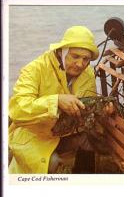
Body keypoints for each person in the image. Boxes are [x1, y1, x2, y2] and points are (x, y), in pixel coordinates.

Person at [9, 26, 113, 174]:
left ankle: (82, 182)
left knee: (92, 143)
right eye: (75, 56)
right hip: (33, 136)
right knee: (52, 162)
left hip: (64, 133)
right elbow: (17, 111)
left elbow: (87, 110)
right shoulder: (34, 69)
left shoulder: (87, 73)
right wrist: (56, 101)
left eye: (86, 59)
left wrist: (102, 112)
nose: (80, 64)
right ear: (61, 52)